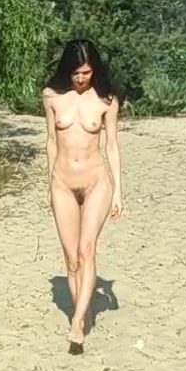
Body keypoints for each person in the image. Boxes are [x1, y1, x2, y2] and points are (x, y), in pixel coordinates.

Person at [40, 37, 124, 354]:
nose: (80, 78)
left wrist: (118, 191)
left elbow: (112, 146)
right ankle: (82, 308)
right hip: (62, 181)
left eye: (86, 72)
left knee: (87, 249)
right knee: (71, 256)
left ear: (95, 70)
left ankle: (77, 324)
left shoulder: (106, 99)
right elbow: (51, 142)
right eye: (76, 72)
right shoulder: (51, 96)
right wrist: (48, 184)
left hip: (96, 181)